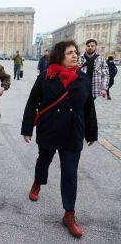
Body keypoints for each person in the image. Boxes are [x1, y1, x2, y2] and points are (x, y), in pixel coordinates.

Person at [21, 40, 98, 238]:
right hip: (50, 129)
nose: (75, 56)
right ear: (59, 56)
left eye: (76, 52)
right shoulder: (46, 77)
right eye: (70, 53)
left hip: (73, 132)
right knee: (44, 160)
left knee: (70, 173)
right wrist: (27, 127)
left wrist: (91, 133)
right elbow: (32, 103)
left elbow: (89, 107)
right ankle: (38, 182)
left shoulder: (82, 79)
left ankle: (69, 214)